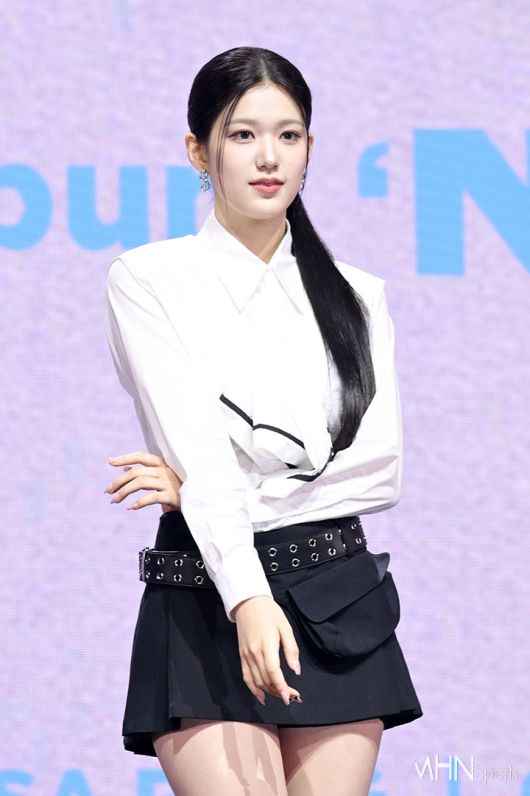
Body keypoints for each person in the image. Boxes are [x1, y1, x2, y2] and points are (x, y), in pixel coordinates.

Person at [103, 46, 423, 796]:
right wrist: (248, 594)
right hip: (206, 592)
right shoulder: (149, 280)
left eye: (288, 135)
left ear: (310, 146)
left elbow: (378, 472)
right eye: (242, 135)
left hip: (337, 593)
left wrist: (199, 488)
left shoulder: (358, 295)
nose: (269, 157)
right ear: (198, 151)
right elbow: (200, 447)